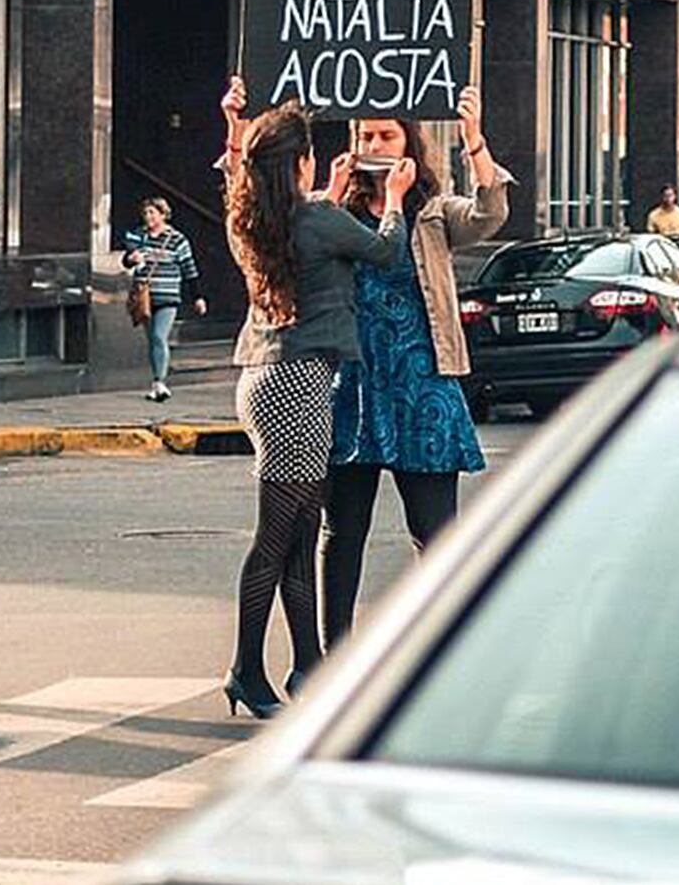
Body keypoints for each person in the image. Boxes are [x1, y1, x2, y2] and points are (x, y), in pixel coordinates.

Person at [219, 83, 414, 720]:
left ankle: (308, 667)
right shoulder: (320, 220)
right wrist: (392, 200)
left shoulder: (254, 220)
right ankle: (246, 669)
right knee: (276, 536)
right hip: (300, 385)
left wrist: (236, 125)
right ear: (300, 164)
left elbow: (296, 223)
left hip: (260, 379)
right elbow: (383, 250)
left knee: (301, 534)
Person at [320, 87, 510, 650]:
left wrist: (473, 139)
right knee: (343, 532)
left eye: (385, 135)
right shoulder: (336, 212)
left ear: (410, 142)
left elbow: (489, 213)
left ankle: (441, 650)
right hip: (351, 386)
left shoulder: (432, 211)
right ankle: (335, 653)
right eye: (365, 137)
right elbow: (272, 223)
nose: (374, 145)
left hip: (422, 385)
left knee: (434, 531)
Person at [122, 198, 206, 402]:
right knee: (152, 340)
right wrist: (130, 259)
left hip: (168, 296)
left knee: (160, 337)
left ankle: (161, 382)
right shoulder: (139, 236)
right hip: (145, 297)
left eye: (153, 213)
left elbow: (189, 270)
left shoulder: (177, 239)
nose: (149, 217)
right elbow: (126, 260)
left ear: (163, 214)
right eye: (146, 213)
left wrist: (197, 297)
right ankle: (155, 381)